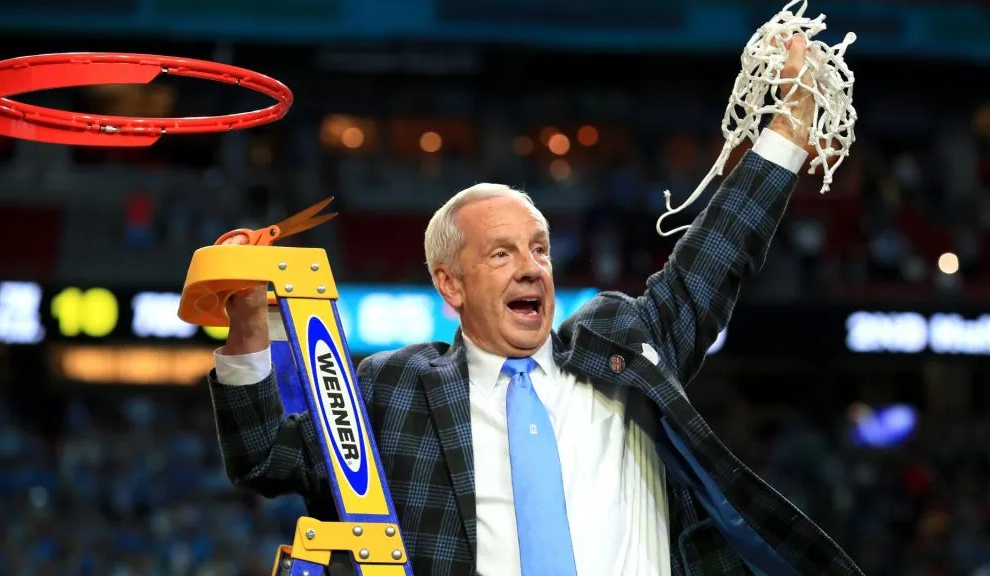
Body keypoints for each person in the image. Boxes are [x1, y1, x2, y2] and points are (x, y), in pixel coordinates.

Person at [208, 36, 863, 576]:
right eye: (501, 254)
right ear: (450, 285)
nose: (530, 267)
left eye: (539, 249)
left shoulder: (621, 341)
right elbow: (266, 455)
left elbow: (717, 256)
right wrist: (244, 322)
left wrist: (794, 122)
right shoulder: (392, 388)